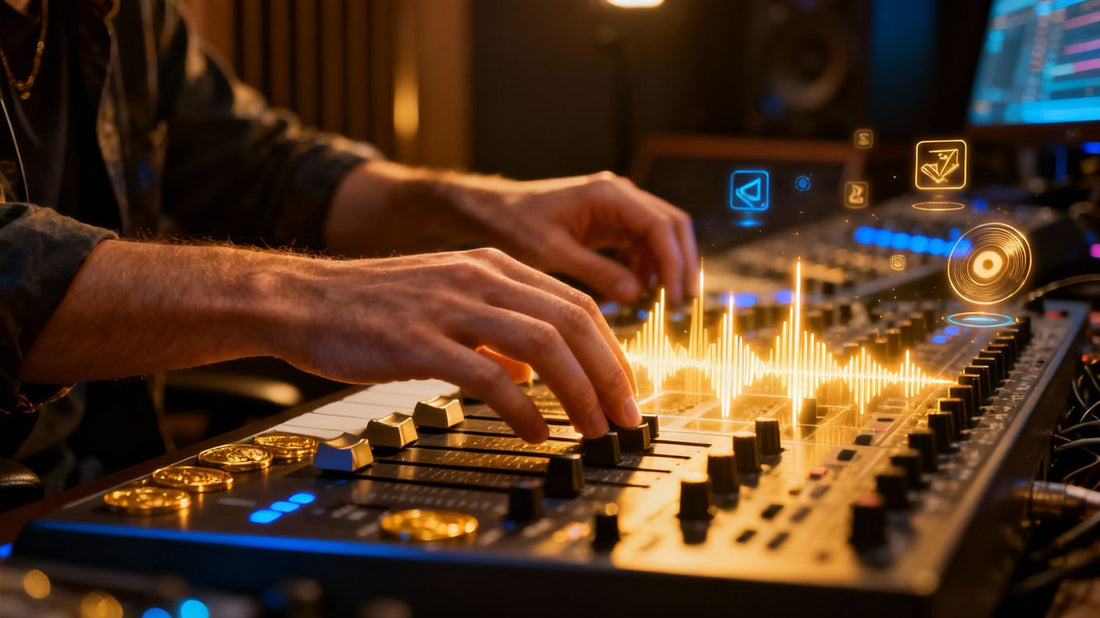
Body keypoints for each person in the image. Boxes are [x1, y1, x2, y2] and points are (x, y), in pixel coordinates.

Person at [0, 0, 699, 489]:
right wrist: (296, 295)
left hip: (96, 484)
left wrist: (487, 203)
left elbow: (264, 169)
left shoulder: (124, 12)